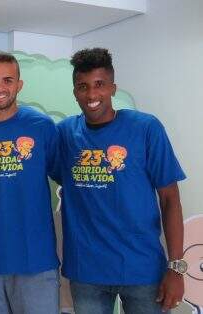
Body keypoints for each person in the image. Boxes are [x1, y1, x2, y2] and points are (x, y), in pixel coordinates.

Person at [52, 48, 186, 314]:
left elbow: (170, 200)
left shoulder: (146, 128)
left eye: (100, 85)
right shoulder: (65, 133)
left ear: (113, 87)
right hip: (86, 271)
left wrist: (176, 268)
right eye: (83, 87)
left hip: (142, 270)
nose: (92, 95)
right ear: (74, 91)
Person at [0, 52, 60, 314]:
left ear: (19, 84)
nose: (0, 88)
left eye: (8, 80)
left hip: (36, 260)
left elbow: (64, 177)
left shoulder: (42, 126)